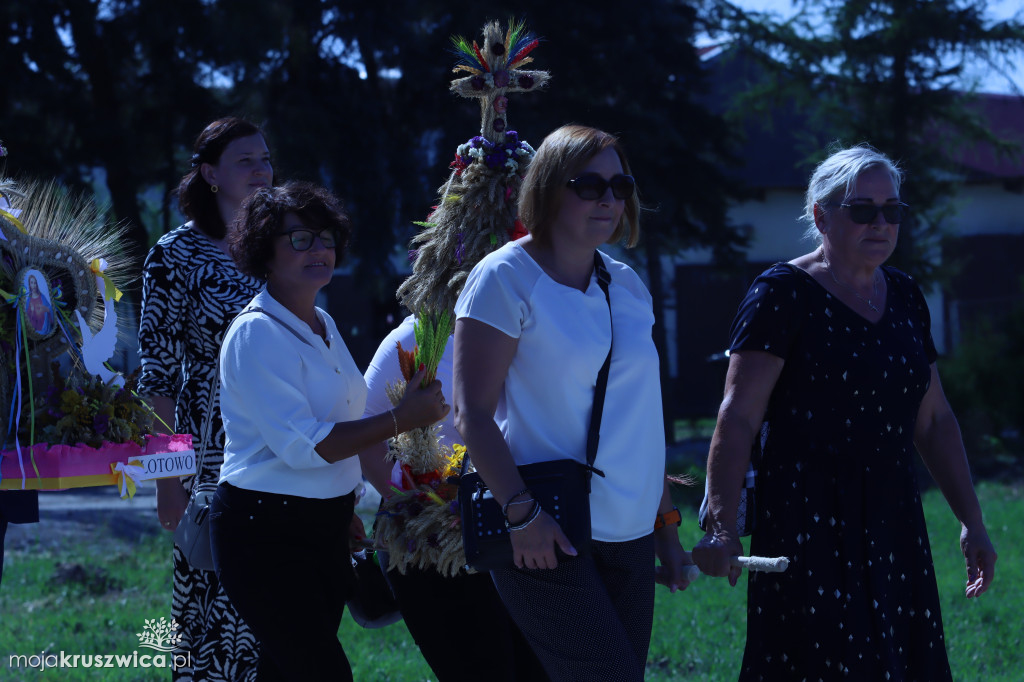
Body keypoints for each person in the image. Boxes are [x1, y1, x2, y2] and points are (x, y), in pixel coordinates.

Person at [692, 144, 998, 680]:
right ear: (821, 216)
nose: (880, 222)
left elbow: (933, 419)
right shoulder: (781, 294)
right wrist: (721, 527)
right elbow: (737, 417)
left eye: (892, 210)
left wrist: (972, 521)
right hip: (807, 524)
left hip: (894, 519)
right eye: (863, 209)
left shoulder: (904, 294)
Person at [452, 124, 693, 682]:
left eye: (620, 185)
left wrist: (667, 528)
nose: (608, 199)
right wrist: (521, 513)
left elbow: (640, 419)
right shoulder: (504, 278)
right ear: (548, 189)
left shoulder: (628, 285)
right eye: (589, 185)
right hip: (546, 527)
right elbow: (472, 415)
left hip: (631, 530)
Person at [209, 181, 447, 681]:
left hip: (322, 527)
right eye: (299, 239)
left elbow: (338, 425)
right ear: (263, 252)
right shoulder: (256, 332)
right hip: (263, 533)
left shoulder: (321, 321)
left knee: (284, 671)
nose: (318, 250)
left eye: (325, 237)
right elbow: (307, 446)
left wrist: (337, 507)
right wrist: (406, 417)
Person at [138, 117, 272, 681]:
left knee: (278, 608)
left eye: (266, 159)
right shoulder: (175, 255)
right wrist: (169, 481)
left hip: (283, 445)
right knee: (214, 608)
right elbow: (158, 378)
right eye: (246, 161)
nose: (262, 171)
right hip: (211, 459)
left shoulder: (280, 248)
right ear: (211, 173)